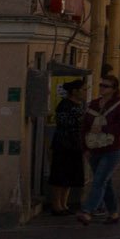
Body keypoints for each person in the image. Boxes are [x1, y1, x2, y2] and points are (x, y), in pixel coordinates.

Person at [76, 75, 120, 225]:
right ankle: (113, 212)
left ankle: (88, 211)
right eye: (101, 85)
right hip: (94, 148)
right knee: (105, 181)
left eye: (105, 86)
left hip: (113, 148)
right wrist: (85, 147)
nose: (101, 87)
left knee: (99, 179)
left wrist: (104, 128)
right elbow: (85, 127)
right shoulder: (94, 104)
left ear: (114, 89)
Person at [47, 80, 87, 216]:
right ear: (74, 91)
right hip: (63, 144)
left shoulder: (80, 105)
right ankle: (56, 205)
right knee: (60, 174)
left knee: (70, 175)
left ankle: (64, 204)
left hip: (75, 145)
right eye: (82, 89)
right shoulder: (64, 105)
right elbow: (64, 123)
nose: (84, 92)